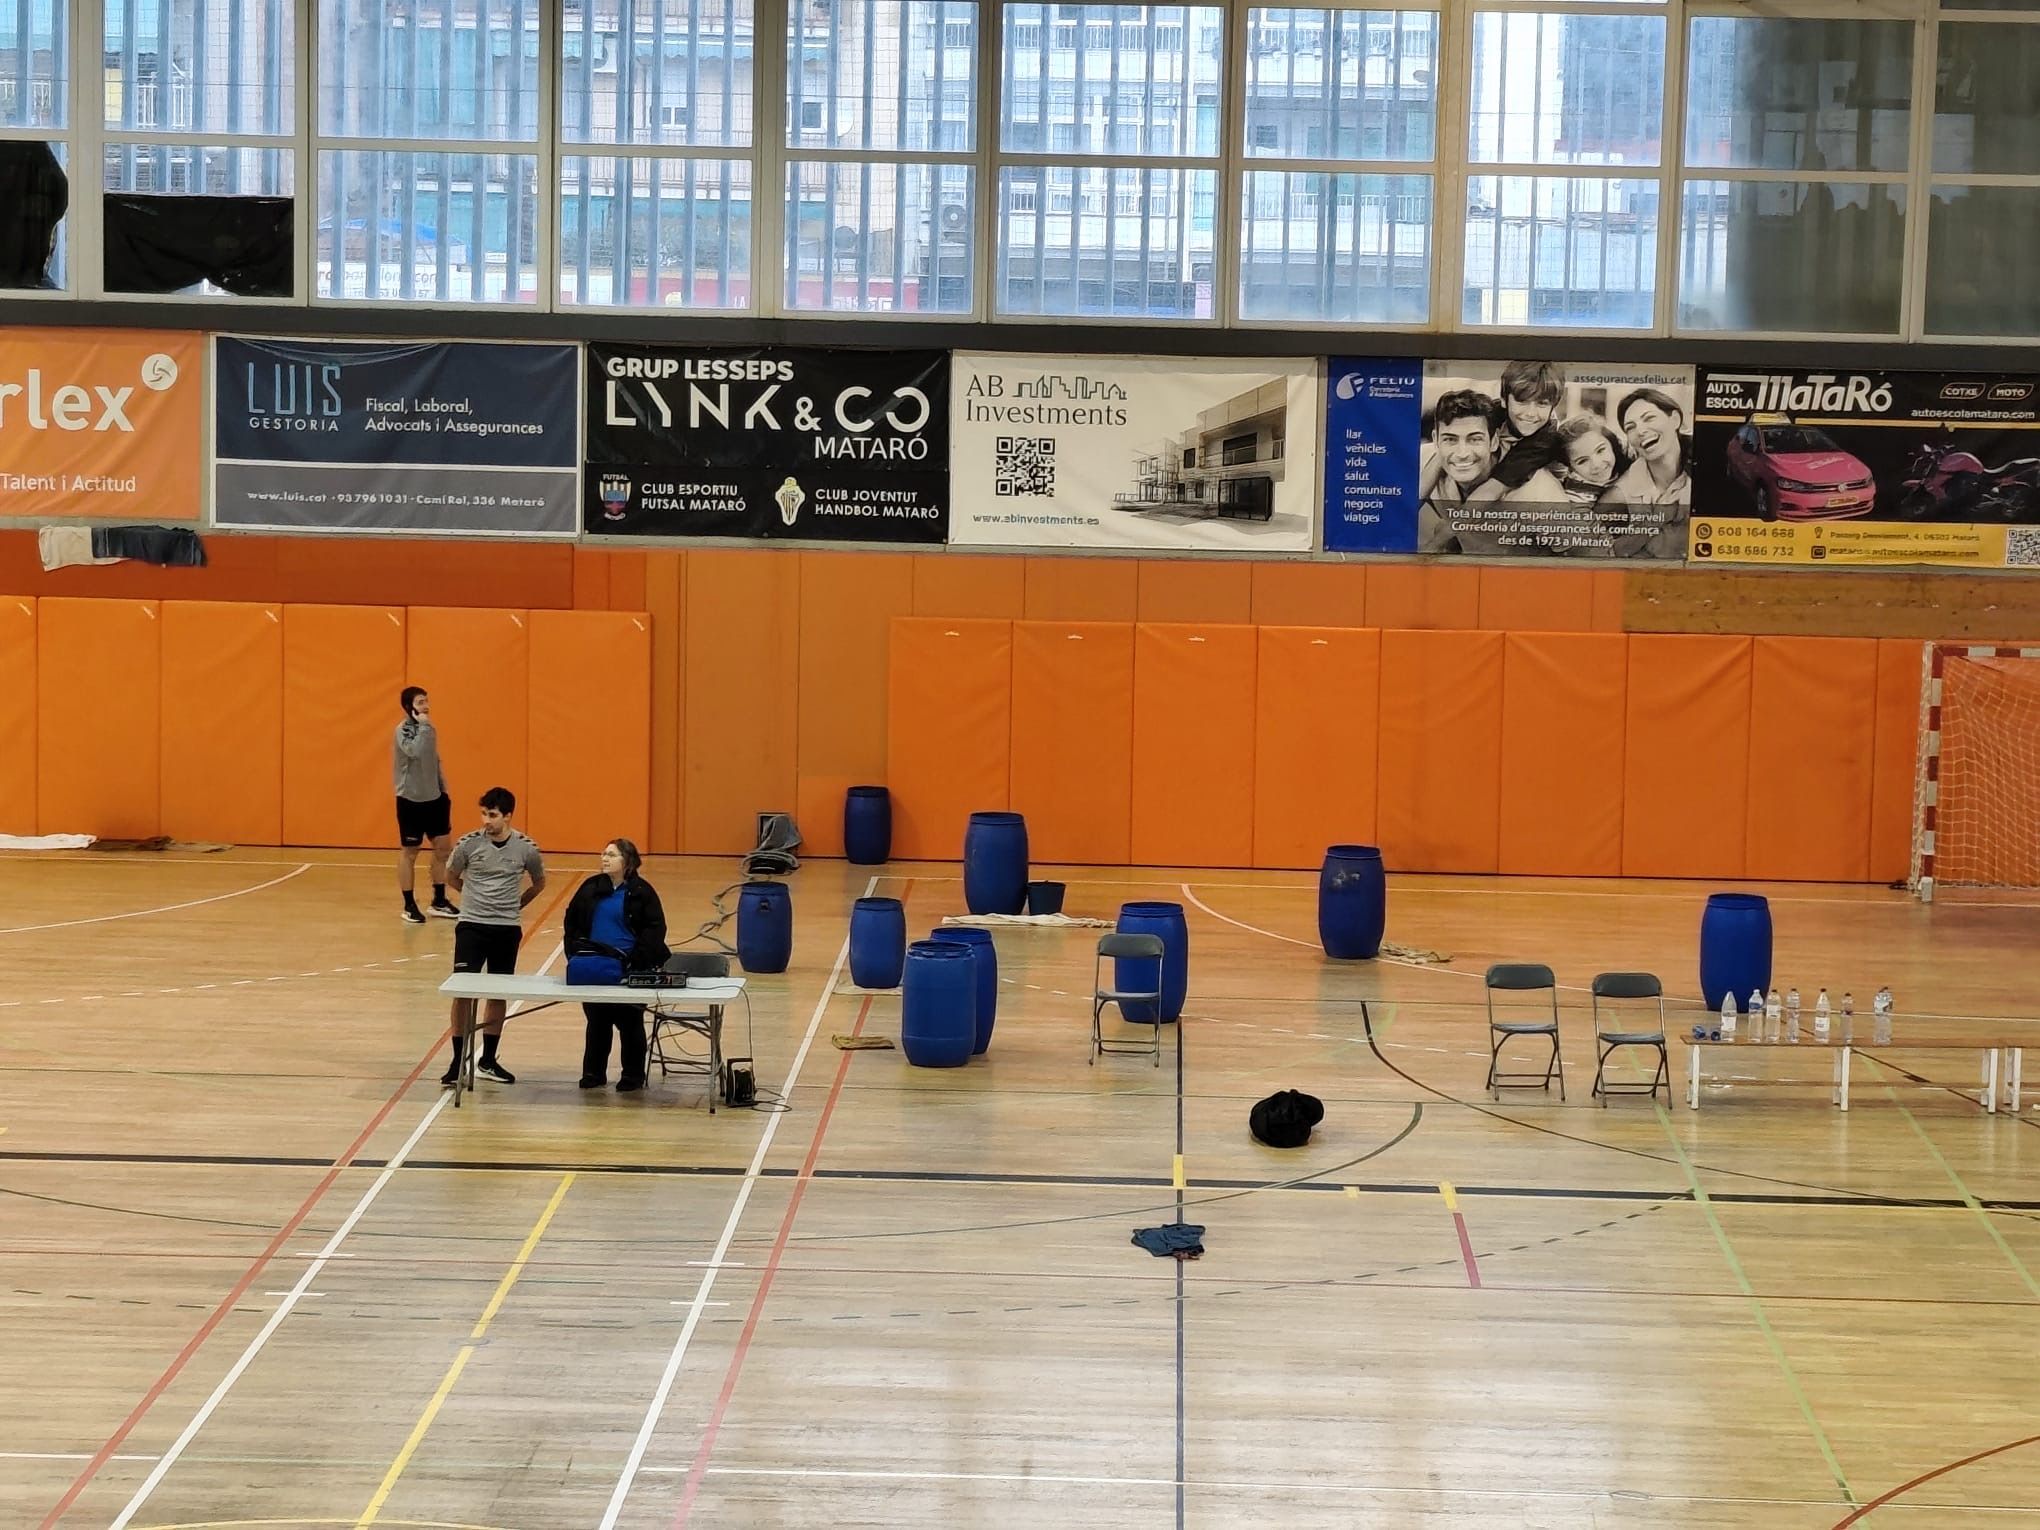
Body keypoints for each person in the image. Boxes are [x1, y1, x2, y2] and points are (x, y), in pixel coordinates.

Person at [444, 787, 546, 1088]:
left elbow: (539, 882)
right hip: (472, 926)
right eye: (483, 814)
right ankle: (457, 1060)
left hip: (506, 929)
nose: (486, 821)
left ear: (508, 816)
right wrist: (473, 900)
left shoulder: (526, 848)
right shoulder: (468, 844)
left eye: (492, 815)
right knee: (463, 991)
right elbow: (450, 877)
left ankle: (487, 1059)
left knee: (497, 992)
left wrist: (515, 905)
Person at [564, 838, 671, 1093]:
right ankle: (593, 1073)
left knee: (630, 1023)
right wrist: (575, 954)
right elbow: (572, 921)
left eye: (611, 855)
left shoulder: (642, 891)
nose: (605, 858)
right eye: (603, 854)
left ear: (628, 861)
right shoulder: (590, 887)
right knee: (597, 1022)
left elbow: (655, 929)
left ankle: (632, 1076)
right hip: (594, 967)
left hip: (629, 969)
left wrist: (636, 961)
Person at [1605, 388, 1694, 559]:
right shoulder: (1620, 494)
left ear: (1675, 419)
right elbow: (1606, 552)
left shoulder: (1710, 465)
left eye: (1649, 418)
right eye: (1630, 427)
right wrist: (1657, 519)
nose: (1640, 431)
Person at [394, 686, 455, 924]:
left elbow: (433, 759)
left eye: (427, 701)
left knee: (443, 848)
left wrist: (442, 789)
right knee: (410, 852)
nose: (426, 706)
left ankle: (439, 900)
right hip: (411, 800)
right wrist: (423, 726)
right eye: (420, 702)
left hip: (435, 799)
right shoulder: (403, 731)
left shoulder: (429, 728)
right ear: (409, 706)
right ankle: (409, 905)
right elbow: (415, 751)